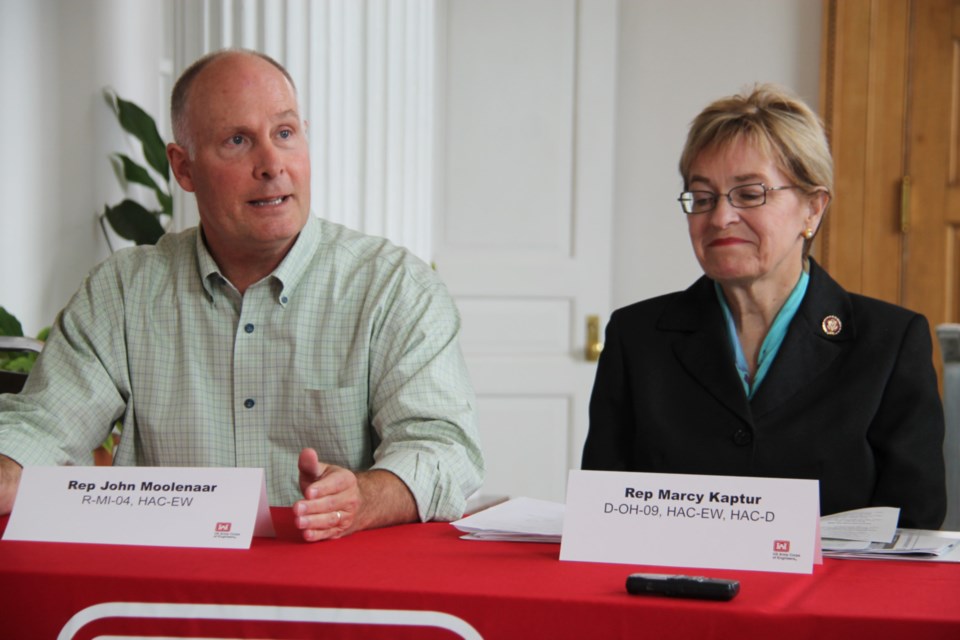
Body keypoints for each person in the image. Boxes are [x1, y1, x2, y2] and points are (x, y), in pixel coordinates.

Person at [0, 49, 483, 541]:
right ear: (183, 168)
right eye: (237, 141)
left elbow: (445, 449)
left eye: (285, 133)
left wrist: (365, 496)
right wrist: (11, 469)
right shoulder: (122, 293)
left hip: (339, 591)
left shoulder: (393, 288)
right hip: (165, 593)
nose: (272, 164)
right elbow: (45, 428)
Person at [582, 83, 946, 529]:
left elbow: (914, 524)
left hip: (828, 597)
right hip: (672, 592)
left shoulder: (889, 342)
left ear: (813, 208)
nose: (719, 217)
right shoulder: (636, 336)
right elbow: (602, 512)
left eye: (750, 194)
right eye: (702, 197)